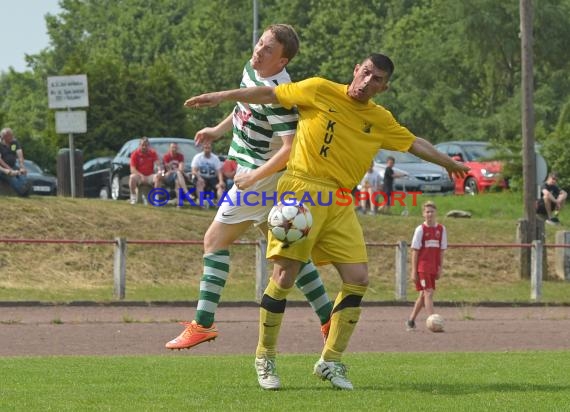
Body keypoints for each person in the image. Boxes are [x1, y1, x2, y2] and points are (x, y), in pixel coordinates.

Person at [184, 53, 468, 391]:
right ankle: (265, 356)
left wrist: (449, 163)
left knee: (358, 278)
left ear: (384, 86)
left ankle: (330, 361)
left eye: (376, 79)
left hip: (340, 201)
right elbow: (269, 95)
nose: (366, 81)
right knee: (285, 275)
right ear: (355, 70)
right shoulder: (319, 90)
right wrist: (222, 97)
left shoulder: (379, 118)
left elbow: (414, 142)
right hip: (301, 192)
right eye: (364, 72)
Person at [165, 24, 333, 359]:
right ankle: (330, 318)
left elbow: (289, 148)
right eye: (259, 43)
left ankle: (203, 323)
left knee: (214, 241)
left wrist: (255, 175)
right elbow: (242, 107)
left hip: (263, 179)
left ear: (282, 61)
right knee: (289, 255)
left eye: (268, 49)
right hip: (260, 176)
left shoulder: (281, 98)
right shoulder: (251, 69)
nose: (258, 51)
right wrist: (216, 130)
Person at [406, 201, 447, 331]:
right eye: (427, 212)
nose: (429, 214)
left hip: (433, 267)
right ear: (423, 214)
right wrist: (414, 271)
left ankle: (411, 321)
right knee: (428, 292)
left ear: (436, 213)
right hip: (422, 267)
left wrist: (440, 267)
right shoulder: (420, 229)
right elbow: (415, 251)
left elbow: (441, 250)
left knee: (423, 295)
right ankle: (433, 322)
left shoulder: (441, 229)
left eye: (432, 211)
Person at [129, 137, 160, 205]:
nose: (144, 147)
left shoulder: (152, 153)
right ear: (139, 145)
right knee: (132, 177)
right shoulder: (135, 154)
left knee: (157, 177)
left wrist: (159, 169)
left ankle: (156, 198)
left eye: (146, 145)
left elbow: (157, 163)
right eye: (142, 145)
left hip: (150, 175)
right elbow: (132, 169)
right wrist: (141, 175)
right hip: (139, 176)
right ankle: (133, 197)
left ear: (148, 146)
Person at [0, 127, 31, 197]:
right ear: (4, 137)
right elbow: (0, 160)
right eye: (10, 135)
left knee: (22, 174)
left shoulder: (14, 143)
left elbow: (19, 154)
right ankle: (22, 191)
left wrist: (22, 166)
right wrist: (9, 169)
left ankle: (26, 188)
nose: (12, 136)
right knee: (11, 177)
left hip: (13, 166)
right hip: (2, 168)